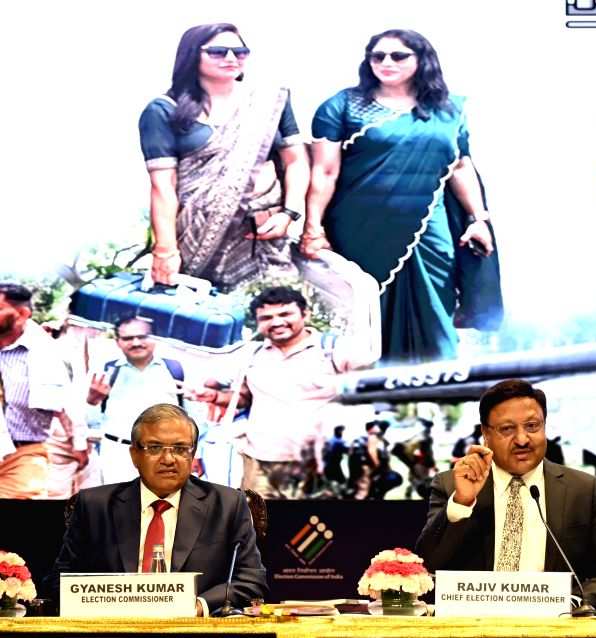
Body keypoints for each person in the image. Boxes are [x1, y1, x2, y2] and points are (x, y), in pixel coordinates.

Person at [304, 29, 502, 364]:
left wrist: (478, 219)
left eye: (398, 56)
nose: (386, 62)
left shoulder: (450, 110)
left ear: (422, 59)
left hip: (429, 228)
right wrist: (312, 228)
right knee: (367, 309)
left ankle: (441, 381)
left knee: (435, 301)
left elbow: (460, 166)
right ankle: (373, 385)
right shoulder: (343, 106)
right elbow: (324, 171)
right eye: (377, 56)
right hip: (359, 225)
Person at [416, 379, 596, 612]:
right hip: (473, 624)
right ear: (485, 433)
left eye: (532, 426)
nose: (522, 439)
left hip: (556, 625)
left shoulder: (582, 490)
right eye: (507, 429)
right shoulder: (451, 485)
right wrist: (462, 502)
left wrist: (573, 603)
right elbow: (426, 568)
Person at [44, 404, 268, 615]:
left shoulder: (227, 504)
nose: (168, 459)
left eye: (180, 448)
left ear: (192, 454)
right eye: (155, 448)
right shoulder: (95, 506)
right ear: (134, 455)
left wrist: (198, 606)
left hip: (194, 630)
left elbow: (251, 581)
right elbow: (59, 582)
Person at [139, 23, 309, 290]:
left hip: (263, 237)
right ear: (192, 55)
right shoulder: (164, 110)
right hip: (196, 240)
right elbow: (163, 187)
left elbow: (296, 161)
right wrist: (165, 250)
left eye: (240, 52)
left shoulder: (269, 102)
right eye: (218, 51)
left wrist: (290, 213)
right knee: (200, 310)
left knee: (276, 305)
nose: (231, 58)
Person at [192, 287, 348, 498]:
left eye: (285, 314)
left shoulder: (332, 351)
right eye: (266, 317)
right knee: (257, 518)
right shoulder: (253, 354)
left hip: (313, 465)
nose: (276, 322)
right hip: (258, 464)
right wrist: (213, 396)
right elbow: (244, 399)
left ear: (305, 314)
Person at [0, 283, 87, 499]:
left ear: (22, 314)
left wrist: (78, 443)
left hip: (21, 457)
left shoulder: (46, 353)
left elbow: (66, 404)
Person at [86, 317, 186, 484]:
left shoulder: (174, 370)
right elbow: (89, 422)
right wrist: (92, 401)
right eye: (128, 338)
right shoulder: (106, 371)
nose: (136, 343)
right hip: (117, 456)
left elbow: (193, 417)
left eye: (142, 336)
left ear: (156, 338)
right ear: (118, 342)